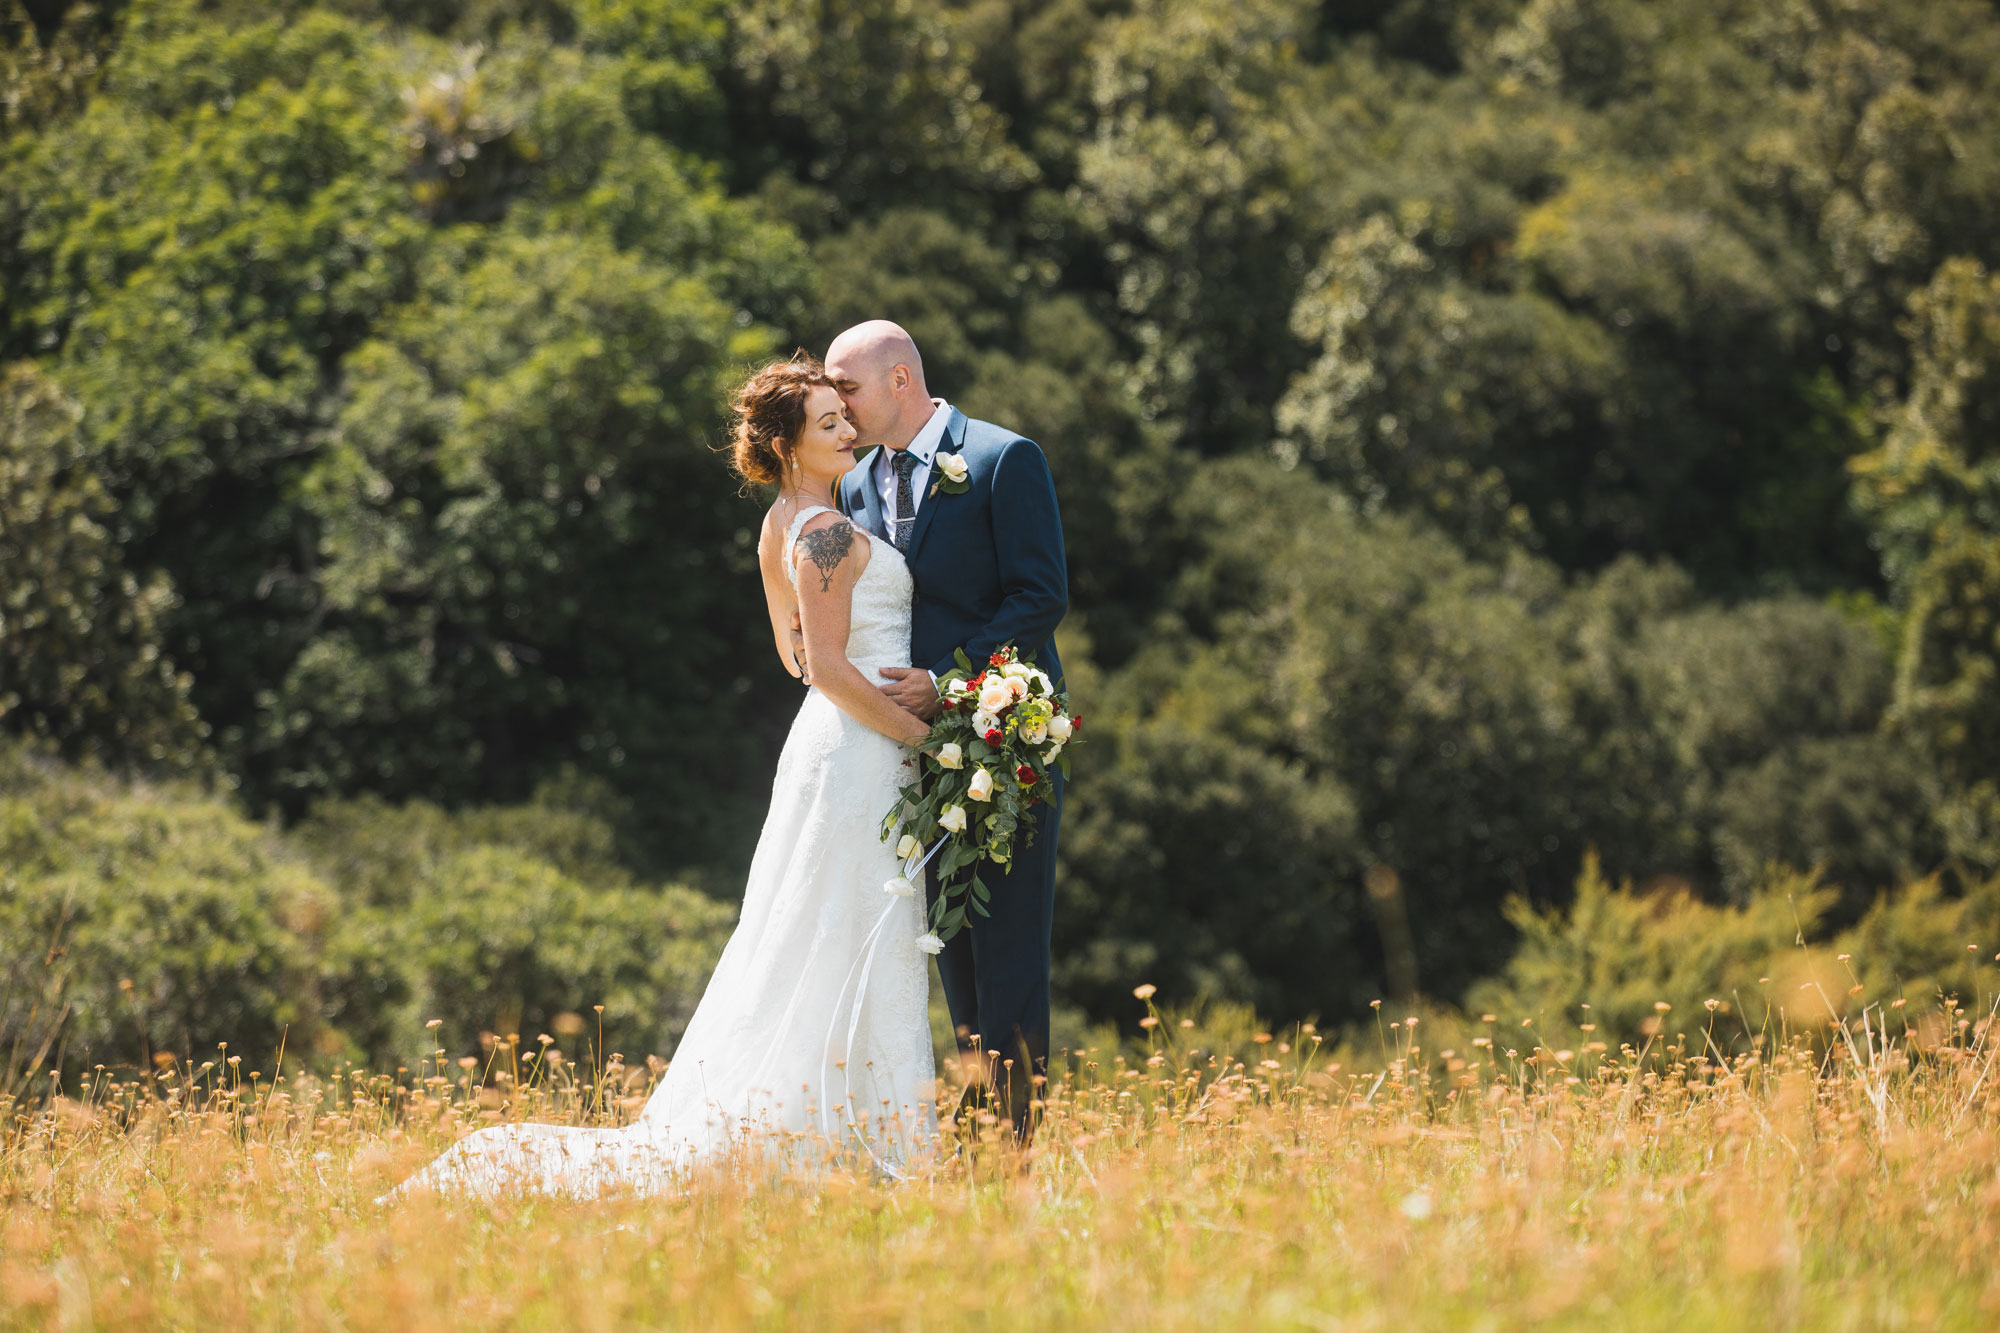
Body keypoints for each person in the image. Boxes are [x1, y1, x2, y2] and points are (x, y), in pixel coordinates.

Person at [379, 355, 937, 1199]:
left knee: (823, 925)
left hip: (837, 743)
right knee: (843, 924)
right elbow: (821, 664)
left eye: (843, 417)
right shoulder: (823, 531)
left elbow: (788, 652)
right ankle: (870, 1141)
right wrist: (917, 737)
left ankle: (854, 1131)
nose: (848, 431)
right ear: (789, 445)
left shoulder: (779, 525)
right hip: (861, 742)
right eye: (828, 424)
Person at [824, 320, 1068, 1143]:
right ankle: (969, 1146)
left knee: (1007, 958)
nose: (837, 404)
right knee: (942, 957)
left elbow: (1039, 598)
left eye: (846, 386)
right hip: (900, 755)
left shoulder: (1004, 459)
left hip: (1002, 751)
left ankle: (1017, 1151)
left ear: (900, 380)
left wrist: (952, 679)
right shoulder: (853, 488)